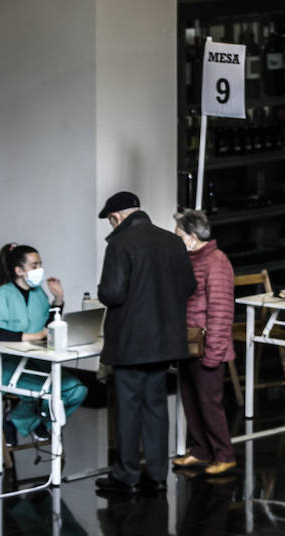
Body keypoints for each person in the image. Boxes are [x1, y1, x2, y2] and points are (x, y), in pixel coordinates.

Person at [93, 191, 197, 496]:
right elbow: (189, 285)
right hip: (165, 341)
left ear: (116, 218)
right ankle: (156, 473)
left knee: (128, 408)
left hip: (131, 343)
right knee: (155, 407)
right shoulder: (172, 241)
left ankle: (127, 475)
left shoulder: (120, 244)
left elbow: (112, 294)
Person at [0, 243, 88, 442]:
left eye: (40, 264)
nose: (39, 269)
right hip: (11, 366)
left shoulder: (39, 294)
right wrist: (32, 336)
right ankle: (29, 421)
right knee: (45, 393)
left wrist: (58, 298)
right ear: (19, 270)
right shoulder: (3, 295)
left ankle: (22, 420)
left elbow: (49, 325)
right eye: (34, 265)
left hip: (38, 362)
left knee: (78, 390)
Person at [169, 210, 236, 477]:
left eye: (179, 235)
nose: (176, 239)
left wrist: (213, 353)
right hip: (188, 343)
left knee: (209, 403)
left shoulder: (216, 261)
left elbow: (221, 311)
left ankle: (224, 455)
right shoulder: (190, 259)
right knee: (191, 398)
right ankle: (201, 450)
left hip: (207, 345)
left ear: (193, 237)